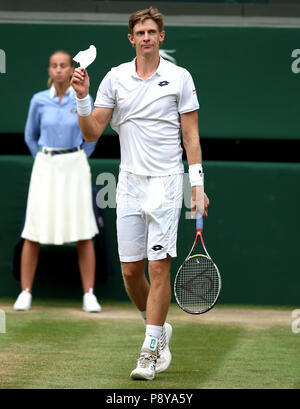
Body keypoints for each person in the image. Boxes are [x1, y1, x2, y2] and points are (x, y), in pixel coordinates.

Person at [71, 7, 209, 380]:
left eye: (152, 31)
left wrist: (197, 186)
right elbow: (91, 132)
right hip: (129, 182)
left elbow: (190, 136)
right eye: (140, 32)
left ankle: (148, 351)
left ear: (161, 36)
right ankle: (158, 327)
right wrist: (82, 98)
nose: (146, 37)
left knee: (158, 266)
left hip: (166, 182)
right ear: (131, 39)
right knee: (131, 272)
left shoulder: (179, 77)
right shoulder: (115, 78)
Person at [13, 50, 102, 313]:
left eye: (64, 65)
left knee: (84, 231)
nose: (60, 70)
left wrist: (77, 157)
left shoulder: (84, 97)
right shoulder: (38, 100)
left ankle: (89, 294)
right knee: (33, 230)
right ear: (49, 71)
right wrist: (46, 158)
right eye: (55, 66)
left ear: (70, 68)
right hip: (46, 165)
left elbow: (92, 135)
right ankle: (25, 292)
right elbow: (31, 136)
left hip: (75, 164)